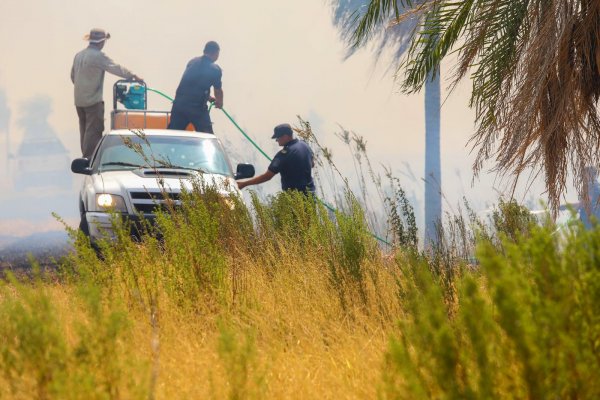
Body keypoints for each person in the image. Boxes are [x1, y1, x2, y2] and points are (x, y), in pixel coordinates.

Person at [71, 28, 142, 159]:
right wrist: (133, 76)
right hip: (92, 100)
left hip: (79, 101)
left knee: (84, 131)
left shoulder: (79, 55)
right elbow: (115, 68)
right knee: (93, 131)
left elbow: (73, 77)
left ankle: (85, 157)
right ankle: (90, 160)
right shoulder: (98, 56)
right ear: (101, 42)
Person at [237, 123, 315, 194]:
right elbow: (312, 164)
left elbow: (267, 176)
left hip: (296, 198)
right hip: (310, 195)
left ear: (285, 137)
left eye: (277, 138)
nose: (276, 141)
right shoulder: (305, 145)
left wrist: (244, 184)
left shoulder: (284, 154)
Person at [168, 41, 223, 133]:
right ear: (216, 53)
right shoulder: (215, 69)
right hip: (197, 109)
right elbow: (218, 90)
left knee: (172, 134)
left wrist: (208, 97)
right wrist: (219, 102)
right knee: (207, 137)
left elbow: (192, 84)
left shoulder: (192, 62)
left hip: (179, 106)